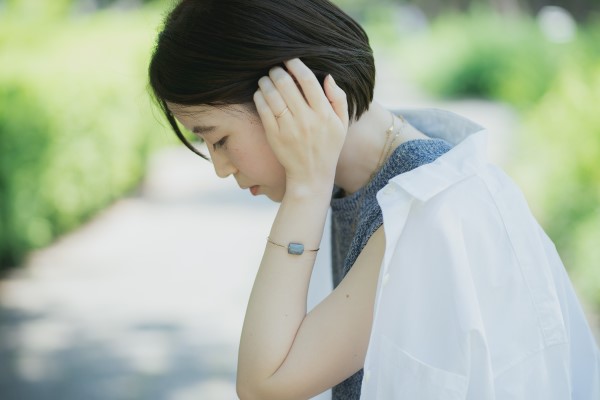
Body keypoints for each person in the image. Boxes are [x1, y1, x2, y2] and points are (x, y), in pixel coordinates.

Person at [148, 1, 600, 399]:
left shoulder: (431, 208)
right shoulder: (363, 184)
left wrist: (305, 188)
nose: (220, 167)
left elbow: (264, 384)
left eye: (218, 139)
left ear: (291, 93)